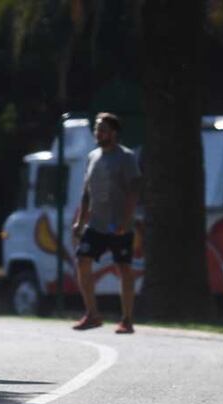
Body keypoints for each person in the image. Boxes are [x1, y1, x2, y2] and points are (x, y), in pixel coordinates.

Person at [71, 112, 142, 334]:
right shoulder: (92, 156)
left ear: (113, 133)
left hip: (119, 224)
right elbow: (86, 192)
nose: (97, 133)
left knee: (123, 267)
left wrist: (126, 220)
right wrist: (80, 222)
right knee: (83, 260)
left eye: (102, 129)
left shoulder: (126, 157)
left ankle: (127, 319)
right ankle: (92, 314)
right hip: (97, 224)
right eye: (96, 129)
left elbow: (133, 191)